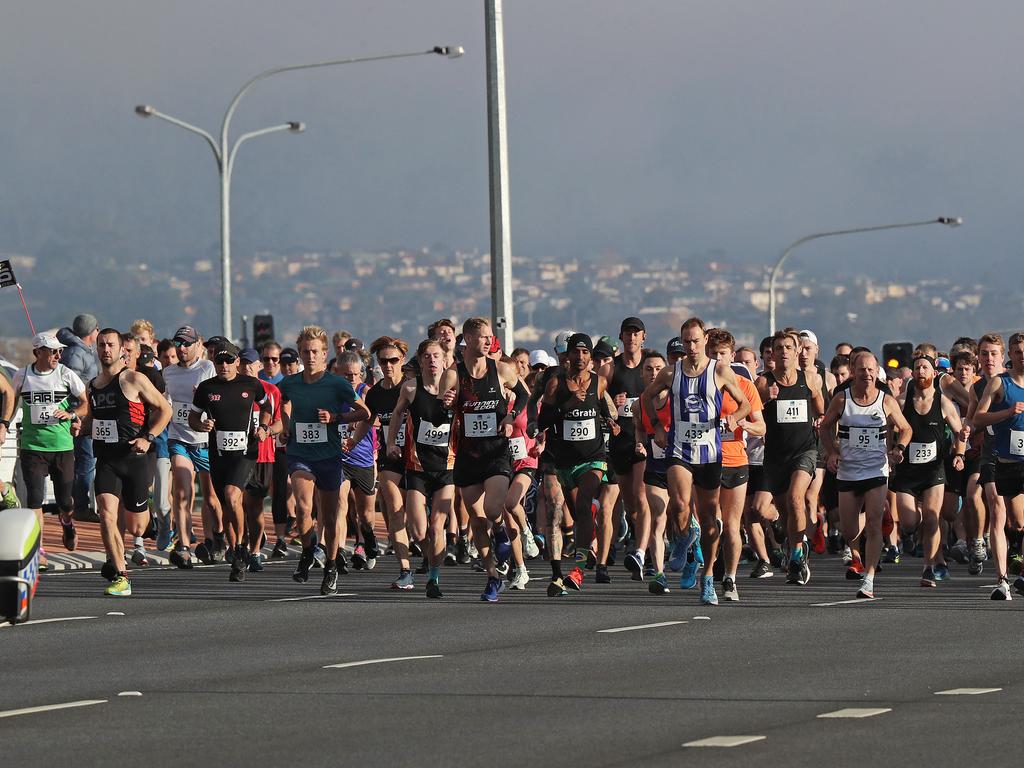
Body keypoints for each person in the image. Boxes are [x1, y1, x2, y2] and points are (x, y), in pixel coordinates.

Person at [642, 318, 750, 605]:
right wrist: (658, 426)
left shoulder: (721, 371)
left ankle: (708, 576)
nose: (691, 347)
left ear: (705, 340)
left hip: (711, 455)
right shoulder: (670, 372)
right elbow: (646, 396)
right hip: (679, 449)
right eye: (686, 341)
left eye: (695, 341)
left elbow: (746, 405)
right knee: (677, 505)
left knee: (710, 520)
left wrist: (733, 418)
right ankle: (683, 539)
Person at [440, 317, 529, 602]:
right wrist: (446, 403)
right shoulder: (454, 374)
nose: (488, 341)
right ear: (467, 338)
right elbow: (442, 410)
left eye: (490, 336)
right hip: (468, 455)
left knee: (492, 509)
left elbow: (525, 395)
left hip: (496, 452)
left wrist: (511, 416)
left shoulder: (501, 369)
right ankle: (493, 577)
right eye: (482, 337)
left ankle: (503, 536)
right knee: (477, 521)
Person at [279, 326, 369, 595]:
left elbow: (364, 412)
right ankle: (308, 550)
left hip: (328, 456)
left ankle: (330, 565)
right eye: (305, 352)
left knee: (330, 518)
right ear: (299, 353)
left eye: (315, 352)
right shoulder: (290, 383)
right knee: (304, 507)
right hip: (300, 454)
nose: (310, 356)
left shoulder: (336, 384)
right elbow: (283, 403)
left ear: (324, 353)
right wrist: (285, 427)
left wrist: (335, 418)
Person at [84, 329, 171, 597]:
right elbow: (92, 421)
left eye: (110, 345)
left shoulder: (133, 379)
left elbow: (164, 410)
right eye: (101, 345)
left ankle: (149, 518)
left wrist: (148, 437)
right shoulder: (93, 386)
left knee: (137, 527)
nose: (105, 349)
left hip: (134, 458)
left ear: (122, 349)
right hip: (107, 461)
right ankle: (122, 575)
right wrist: (79, 426)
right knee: (107, 514)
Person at [820, 352, 912, 599]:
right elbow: (825, 427)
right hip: (848, 470)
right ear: (853, 371)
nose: (867, 374)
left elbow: (905, 428)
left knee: (872, 523)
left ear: (876, 371)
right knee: (850, 530)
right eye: (862, 370)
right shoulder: (842, 400)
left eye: (871, 370)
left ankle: (868, 578)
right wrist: (831, 452)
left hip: (876, 469)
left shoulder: (885, 400)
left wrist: (898, 450)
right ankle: (868, 530)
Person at [537, 333, 620, 597]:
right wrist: (570, 404)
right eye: (577, 352)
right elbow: (544, 421)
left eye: (586, 353)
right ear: (568, 356)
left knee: (584, 504)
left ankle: (579, 570)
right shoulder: (555, 383)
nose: (581, 358)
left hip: (593, 457)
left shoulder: (599, 382)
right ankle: (577, 555)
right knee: (575, 511)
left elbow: (601, 408)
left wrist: (611, 421)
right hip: (564, 461)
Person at [190, 341, 272, 582]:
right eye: (219, 361)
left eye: (228, 361)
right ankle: (236, 546)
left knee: (231, 494)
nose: (224, 365)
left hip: (246, 453)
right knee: (227, 505)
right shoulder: (206, 388)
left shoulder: (251, 384)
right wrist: (201, 425)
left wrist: (265, 427)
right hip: (219, 454)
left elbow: (268, 409)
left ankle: (240, 549)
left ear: (237, 362)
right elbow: (193, 418)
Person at [387, 339, 457, 598]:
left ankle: (433, 580)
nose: (432, 360)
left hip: (447, 466)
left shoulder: (455, 388)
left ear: (444, 359)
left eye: (436, 355)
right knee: (418, 529)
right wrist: (391, 443)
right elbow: (396, 414)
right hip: (417, 465)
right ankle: (431, 556)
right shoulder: (411, 388)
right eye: (427, 356)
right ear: (420, 359)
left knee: (437, 525)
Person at [755, 329, 825, 586]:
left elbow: (820, 406)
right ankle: (794, 544)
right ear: (771, 354)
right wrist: (764, 401)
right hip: (775, 455)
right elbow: (751, 413)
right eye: (779, 348)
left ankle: (797, 555)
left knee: (797, 498)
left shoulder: (810, 380)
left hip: (804, 451)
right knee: (775, 510)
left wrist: (820, 420)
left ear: (797, 352)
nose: (784, 352)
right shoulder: (763, 383)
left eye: (789, 347)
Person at [890, 353, 966, 587]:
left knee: (933, 517)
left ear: (934, 373)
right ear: (912, 374)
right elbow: (887, 429)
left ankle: (928, 567)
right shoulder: (902, 402)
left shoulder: (943, 402)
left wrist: (960, 453)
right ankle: (920, 517)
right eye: (917, 368)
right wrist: (891, 452)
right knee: (909, 523)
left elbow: (959, 431)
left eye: (925, 367)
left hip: (934, 470)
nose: (921, 371)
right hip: (907, 472)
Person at [12, 332, 80, 570]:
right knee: (34, 500)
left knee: (65, 502)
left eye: (60, 351)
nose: (58, 355)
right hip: (33, 447)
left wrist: (72, 415)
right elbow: (11, 401)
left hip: (62, 447)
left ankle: (67, 523)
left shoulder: (65, 373)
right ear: (37, 352)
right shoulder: (22, 375)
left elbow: (85, 402)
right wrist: (3, 424)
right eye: (53, 351)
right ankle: (39, 551)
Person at [707, 329, 765, 602]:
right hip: (705, 459)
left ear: (732, 356)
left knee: (731, 525)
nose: (718, 359)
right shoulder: (698, 385)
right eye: (713, 354)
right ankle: (708, 572)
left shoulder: (744, 385)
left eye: (723, 355)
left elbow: (761, 426)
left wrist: (742, 424)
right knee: (711, 523)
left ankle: (729, 578)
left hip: (735, 460)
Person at [972, 331, 1024, 600]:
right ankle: (1004, 578)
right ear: (1011, 357)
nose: (1022, 356)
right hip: (1006, 460)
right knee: (1015, 521)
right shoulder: (997, 384)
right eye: (1018, 352)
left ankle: (1010, 577)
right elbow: (977, 419)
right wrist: (1008, 412)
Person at [365, 337, 412, 588]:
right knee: (394, 510)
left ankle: (428, 554)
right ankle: (405, 569)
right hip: (389, 459)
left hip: (418, 460)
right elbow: (367, 419)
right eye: (383, 360)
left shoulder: (415, 388)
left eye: (393, 360)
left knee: (418, 521)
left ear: (402, 360)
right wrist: (352, 441)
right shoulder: (375, 394)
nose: (388, 365)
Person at [239, 347, 283, 572]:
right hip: (235, 455)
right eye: (243, 363)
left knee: (254, 505)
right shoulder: (230, 390)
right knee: (236, 503)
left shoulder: (271, 391)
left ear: (258, 367)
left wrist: (267, 431)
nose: (247, 367)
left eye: (251, 363)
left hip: (263, 455)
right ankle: (239, 546)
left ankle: (255, 550)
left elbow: (281, 422)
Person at [58, 313, 99, 523]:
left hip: (84, 414)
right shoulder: (75, 353)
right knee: (85, 461)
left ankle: (76, 503)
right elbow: (69, 385)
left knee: (85, 461)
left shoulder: (81, 351)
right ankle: (80, 505)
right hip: (79, 416)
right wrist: (78, 412)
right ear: (92, 332)